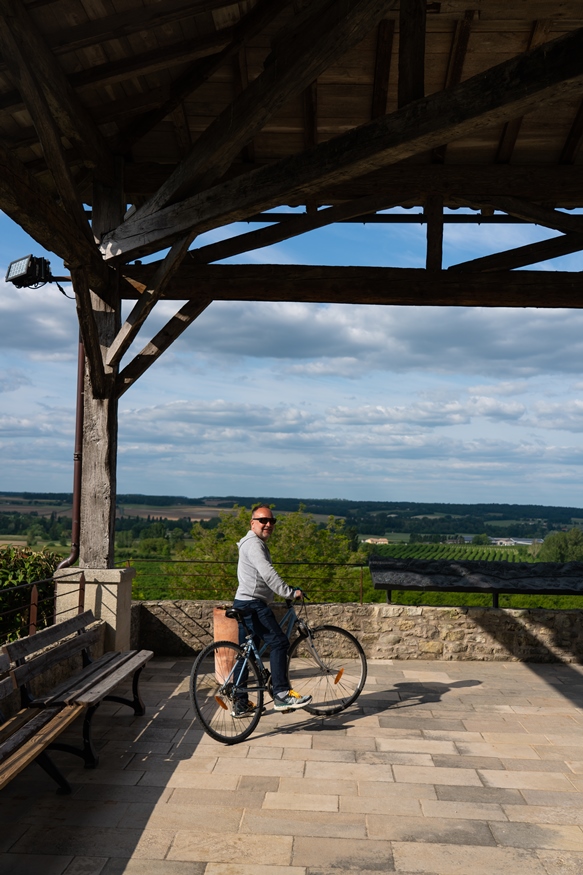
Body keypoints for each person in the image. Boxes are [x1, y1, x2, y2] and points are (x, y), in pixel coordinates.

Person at [231, 505, 312, 717]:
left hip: (242, 602)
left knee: (245, 653)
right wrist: (289, 592)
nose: (268, 524)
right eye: (263, 520)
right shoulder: (254, 545)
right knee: (280, 643)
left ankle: (240, 703)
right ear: (252, 523)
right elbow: (268, 573)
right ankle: (282, 694)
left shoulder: (249, 543)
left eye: (272, 521)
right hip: (253, 604)